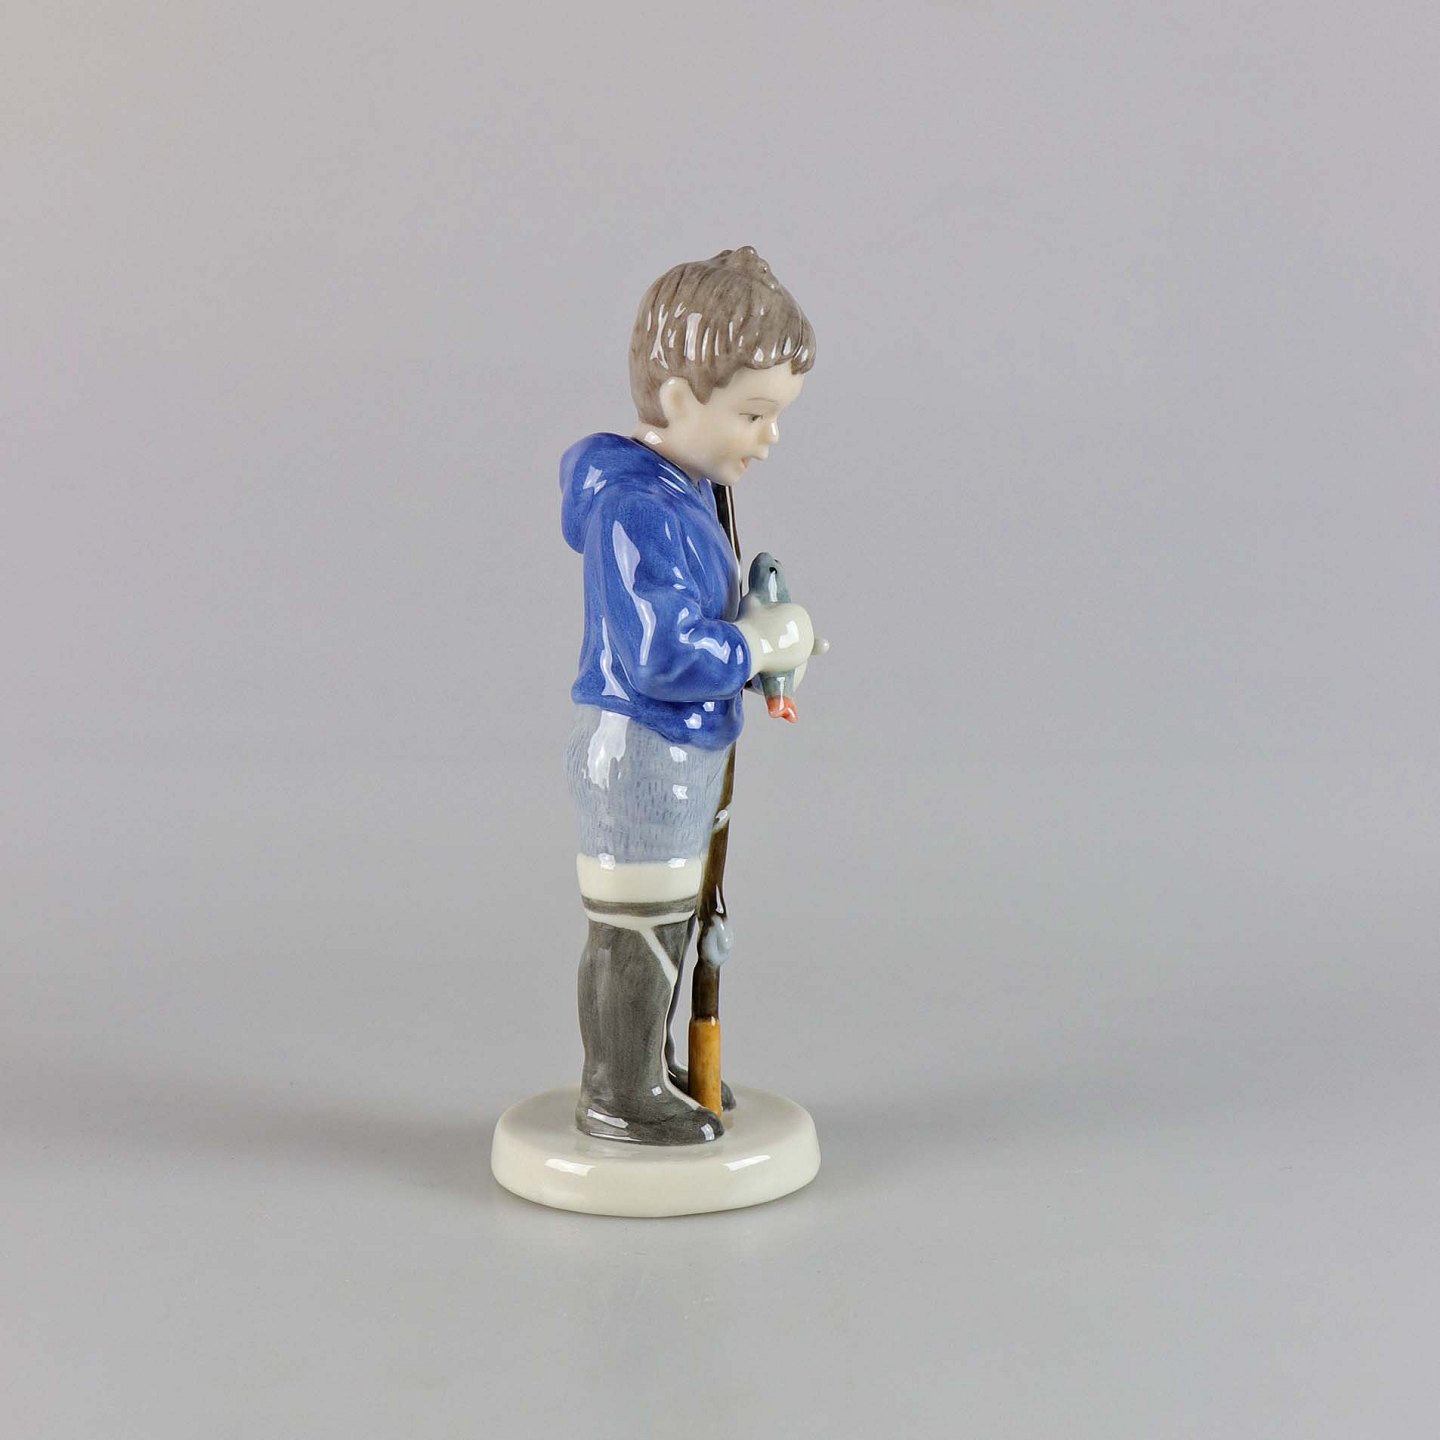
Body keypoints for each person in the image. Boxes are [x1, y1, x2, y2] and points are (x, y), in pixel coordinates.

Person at [559, 246, 819, 1144]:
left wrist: (756, 625)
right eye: (752, 414)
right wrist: (756, 645)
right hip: (641, 747)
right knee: (635, 924)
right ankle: (618, 1088)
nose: (768, 437)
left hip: (678, 751)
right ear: (677, 400)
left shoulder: (686, 496)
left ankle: (645, 1064)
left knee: (666, 918)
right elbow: (662, 652)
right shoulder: (639, 509)